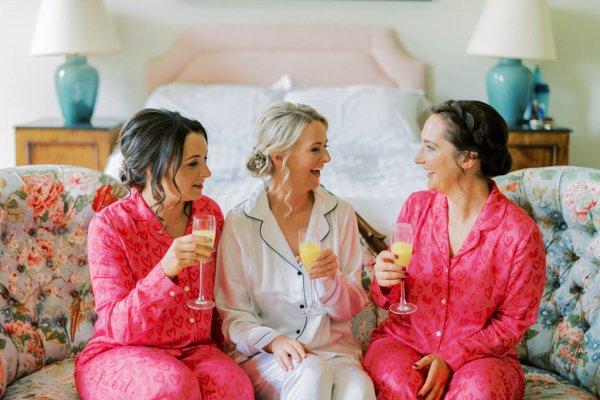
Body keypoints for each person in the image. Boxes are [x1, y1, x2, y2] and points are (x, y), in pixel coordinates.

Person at [363, 100, 546, 400]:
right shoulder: (415, 207)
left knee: (476, 392)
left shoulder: (519, 233)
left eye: (430, 148)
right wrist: (385, 280)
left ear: (468, 158)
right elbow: (393, 298)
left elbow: (513, 322)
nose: (417, 158)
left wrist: (452, 357)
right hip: (407, 342)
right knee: (401, 384)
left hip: (482, 360)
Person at [74, 109, 254, 400]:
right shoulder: (111, 226)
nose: (206, 173)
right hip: (122, 352)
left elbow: (220, 294)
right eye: (193, 164)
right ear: (150, 167)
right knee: (171, 385)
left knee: (234, 386)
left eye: (205, 160)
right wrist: (164, 271)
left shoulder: (207, 213)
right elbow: (117, 326)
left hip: (196, 349)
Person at [215, 101, 376, 400]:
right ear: (280, 156)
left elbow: (350, 309)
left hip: (333, 352)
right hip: (268, 355)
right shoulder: (240, 223)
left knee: (359, 391)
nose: (326, 158)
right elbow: (232, 315)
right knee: (310, 373)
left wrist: (332, 280)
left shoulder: (340, 214)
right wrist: (273, 340)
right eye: (315, 149)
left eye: (326, 147)